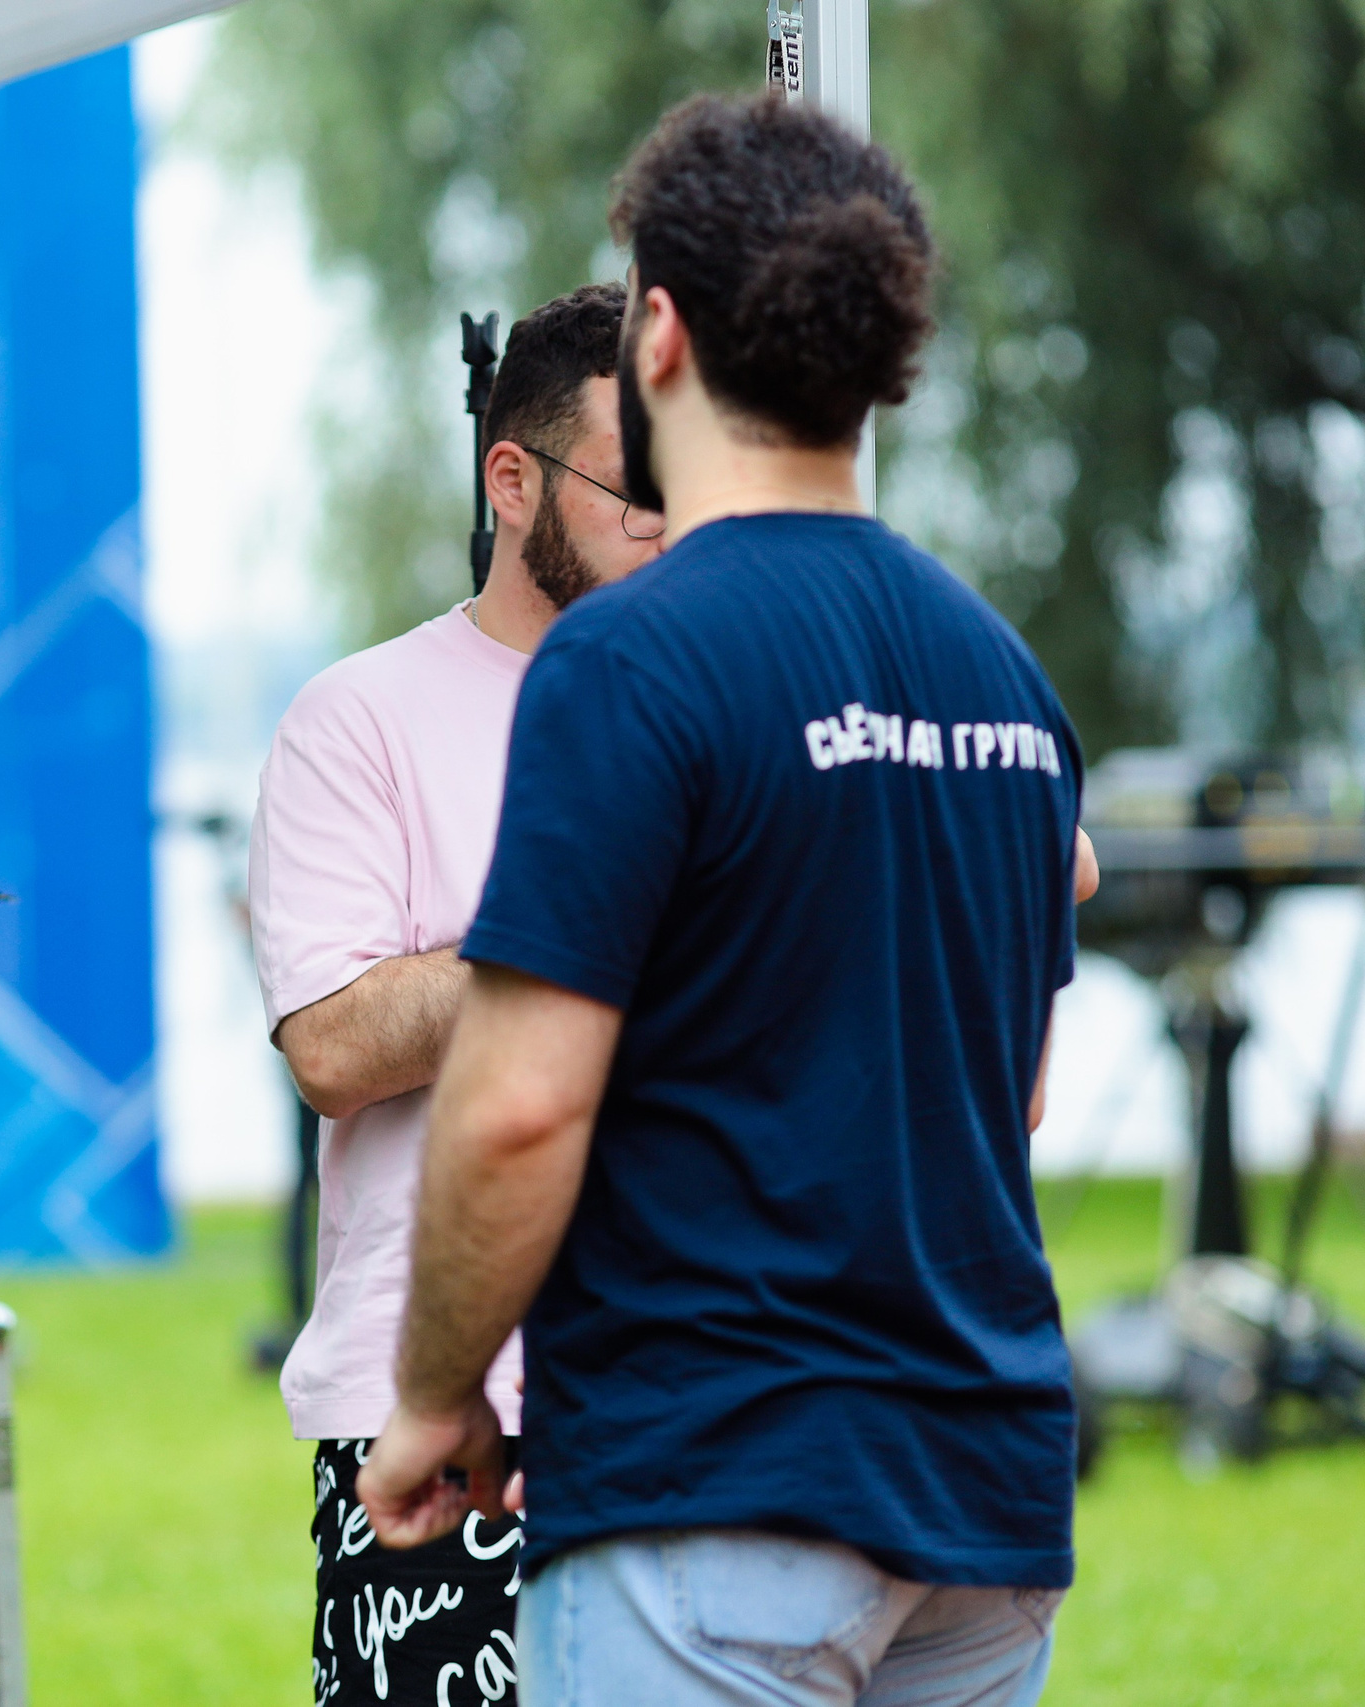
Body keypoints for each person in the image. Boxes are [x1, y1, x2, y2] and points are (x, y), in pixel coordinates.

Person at [358, 94, 1099, 1707]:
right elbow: (1011, 1087)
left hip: (722, 1487)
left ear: (665, 336)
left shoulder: (634, 657)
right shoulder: (1004, 675)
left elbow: (513, 1109)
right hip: (981, 1500)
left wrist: (430, 1395)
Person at [248, 282, 663, 1706]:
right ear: (511, 476)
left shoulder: (732, 703)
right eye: (633, 485)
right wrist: (572, 928)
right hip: (445, 1418)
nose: (668, 520)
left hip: (708, 1400)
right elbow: (334, 1042)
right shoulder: (355, 717)